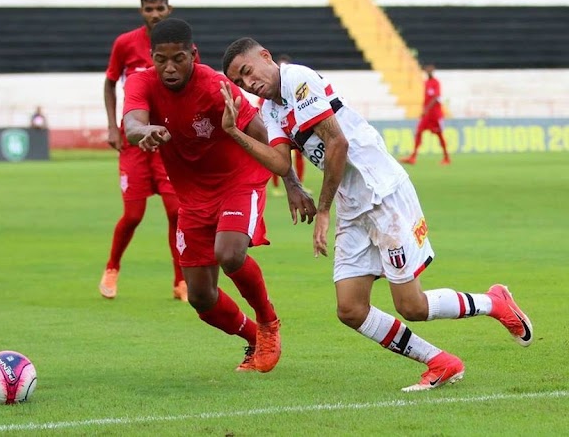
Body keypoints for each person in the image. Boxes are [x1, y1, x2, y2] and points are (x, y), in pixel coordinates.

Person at [221, 38, 533, 391]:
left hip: (382, 194)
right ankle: (440, 361)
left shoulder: (298, 80)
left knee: (411, 305)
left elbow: (338, 143)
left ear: (265, 57)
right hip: (353, 204)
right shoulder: (270, 109)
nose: (248, 83)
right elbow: (280, 161)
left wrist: (323, 211)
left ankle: (494, 302)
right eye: (239, 81)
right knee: (351, 309)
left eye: (247, 72)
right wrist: (233, 132)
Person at [123, 19, 316, 372]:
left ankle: (269, 323)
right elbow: (132, 123)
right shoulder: (141, 82)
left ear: (193, 55)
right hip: (192, 196)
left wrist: (291, 183)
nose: (169, 68)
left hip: (237, 181)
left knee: (228, 253)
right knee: (200, 296)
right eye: (160, 59)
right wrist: (144, 131)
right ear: (151, 57)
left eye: (178, 58)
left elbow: (263, 132)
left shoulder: (215, 86)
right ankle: (253, 338)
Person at [100, 0, 190, 301]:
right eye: (149, 9)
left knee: (176, 212)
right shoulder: (125, 44)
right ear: (142, 11)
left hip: (167, 143)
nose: (155, 14)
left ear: (169, 9)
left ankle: (181, 280)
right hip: (134, 142)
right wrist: (113, 126)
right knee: (134, 214)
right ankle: (112, 268)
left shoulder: (181, 46)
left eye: (159, 8)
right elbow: (110, 84)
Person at [267, 54, 308, 197]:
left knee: (299, 157)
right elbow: (264, 109)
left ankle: (300, 184)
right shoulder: (269, 96)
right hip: (279, 128)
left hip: (296, 128)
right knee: (278, 157)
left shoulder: (294, 86)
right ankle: (276, 186)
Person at [400, 64, 450, 165]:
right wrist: (424, 111)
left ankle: (446, 158)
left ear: (433, 70)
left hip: (435, 115)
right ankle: (413, 157)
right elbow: (426, 98)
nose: (429, 71)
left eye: (430, 69)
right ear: (425, 70)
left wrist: (426, 109)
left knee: (440, 136)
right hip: (426, 115)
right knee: (418, 132)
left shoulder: (436, 82)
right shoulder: (426, 83)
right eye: (427, 69)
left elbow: (436, 97)